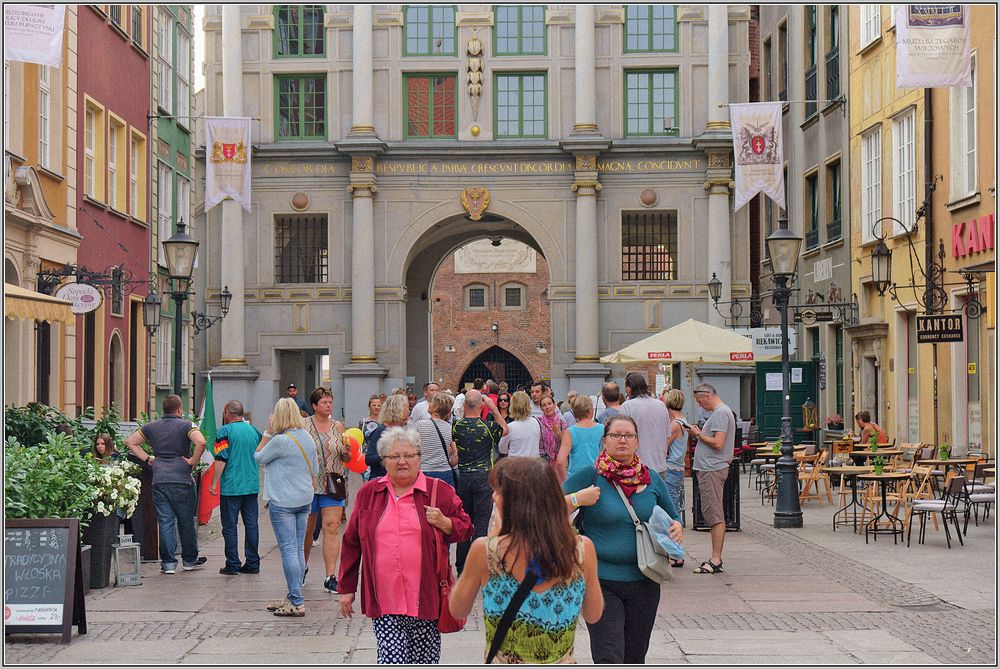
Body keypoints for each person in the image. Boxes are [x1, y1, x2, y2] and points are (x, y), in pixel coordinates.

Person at [338, 427, 473, 664]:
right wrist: (347, 588)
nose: (402, 461)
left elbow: (466, 528)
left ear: (419, 458)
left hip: (427, 597)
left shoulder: (438, 491)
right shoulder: (369, 493)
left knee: (424, 662)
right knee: (391, 660)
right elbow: (352, 542)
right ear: (384, 461)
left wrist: (445, 522)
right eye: (394, 456)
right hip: (384, 598)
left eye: (409, 455)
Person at [450, 457, 604, 664]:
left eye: (499, 491)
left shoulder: (485, 551)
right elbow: (593, 615)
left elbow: (458, 609)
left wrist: (494, 537)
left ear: (516, 501)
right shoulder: (582, 549)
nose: (494, 497)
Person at [564, 415, 684, 664]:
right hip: (601, 581)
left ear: (637, 441)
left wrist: (677, 527)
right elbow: (546, 505)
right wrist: (577, 499)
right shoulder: (591, 476)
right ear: (604, 441)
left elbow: (673, 516)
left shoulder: (650, 478)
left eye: (629, 435)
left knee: (635, 656)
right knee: (609, 655)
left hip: (645, 580)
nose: (622, 440)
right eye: (615, 435)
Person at [125, 394, 208, 575]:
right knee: (186, 521)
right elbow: (201, 441)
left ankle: (168, 563)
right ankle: (189, 560)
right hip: (182, 479)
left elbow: (130, 442)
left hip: (159, 478)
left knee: (165, 522)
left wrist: (148, 459)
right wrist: (192, 461)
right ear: (179, 409)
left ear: (164, 410)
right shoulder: (186, 425)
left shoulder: (151, 427)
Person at [254, 398, 317, 617]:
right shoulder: (307, 437)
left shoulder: (280, 441)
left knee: (289, 549)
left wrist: (267, 432)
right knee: (298, 548)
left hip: (283, 501)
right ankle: (293, 594)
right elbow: (315, 469)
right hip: (304, 498)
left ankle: (297, 602)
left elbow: (258, 456)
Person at [451, 389, 508, 574]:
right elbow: (505, 429)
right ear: (481, 406)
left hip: (464, 476)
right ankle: (480, 566)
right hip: (484, 477)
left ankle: (461, 567)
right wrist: (494, 409)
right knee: (481, 522)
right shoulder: (488, 427)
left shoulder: (456, 426)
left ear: (465, 405)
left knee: (463, 520)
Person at [302, 387, 350, 593]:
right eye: (324, 402)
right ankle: (301, 567)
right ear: (314, 405)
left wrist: (347, 453)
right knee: (307, 529)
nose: (328, 405)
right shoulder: (303, 426)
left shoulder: (338, 426)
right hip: (308, 483)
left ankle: (331, 575)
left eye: (330, 402)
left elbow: (346, 457)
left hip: (333, 482)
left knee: (331, 527)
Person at [684, 383, 735, 575]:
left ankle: (715, 559)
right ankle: (715, 558)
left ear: (707, 396)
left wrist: (698, 434)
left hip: (713, 469)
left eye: (699, 401)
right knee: (712, 513)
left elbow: (718, 443)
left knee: (714, 514)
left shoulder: (721, 413)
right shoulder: (720, 413)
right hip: (710, 468)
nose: (700, 406)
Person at [210, 400, 262, 575]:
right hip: (251, 485)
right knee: (251, 524)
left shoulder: (224, 431)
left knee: (230, 526)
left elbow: (221, 458)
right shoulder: (254, 431)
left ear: (227, 413)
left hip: (231, 486)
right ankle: (253, 562)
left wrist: (213, 482)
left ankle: (232, 564)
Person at [619, 372, 670, 482]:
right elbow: (667, 436)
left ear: (628, 389)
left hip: (637, 466)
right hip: (659, 464)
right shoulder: (661, 405)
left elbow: (622, 437)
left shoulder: (627, 406)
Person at [662, 389, 689, 565]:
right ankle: (675, 552)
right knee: (675, 507)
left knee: (671, 511)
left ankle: (676, 553)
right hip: (678, 468)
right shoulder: (683, 422)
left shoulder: (674, 425)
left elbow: (664, 446)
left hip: (671, 468)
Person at [364, 393, 411, 480]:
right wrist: (387, 455)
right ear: (398, 409)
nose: (409, 411)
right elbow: (369, 459)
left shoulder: (406, 428)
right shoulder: (381, 430)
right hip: (381, 479)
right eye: (407, 408)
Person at [557, 394, 604, 477]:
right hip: (596, 475)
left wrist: (566, 480)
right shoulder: (602, 429)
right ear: (590, 411)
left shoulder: (570, 431)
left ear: (574, 413)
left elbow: (560, 460)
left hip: (575, 477)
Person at [417, 392, 458, 486]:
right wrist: (448, 464)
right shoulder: (450, 429)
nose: (429, 403)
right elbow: (456, 456)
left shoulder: (419, 425)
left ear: (435, 408)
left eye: (431, 402)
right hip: (445, 473)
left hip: (425, 471)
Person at [497, 390, 541, 458]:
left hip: (515, 464)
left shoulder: (510, 427)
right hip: (534, 464)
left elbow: (502, 449)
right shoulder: (536, 422)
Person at [538, 396, 568, 478]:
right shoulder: (539, 422)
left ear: (554, 405)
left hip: (558, 461)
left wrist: (558, 432)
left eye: (549, 404)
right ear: (541, 408)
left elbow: (566, 443)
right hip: (543, 461)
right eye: (544, 405)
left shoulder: (562, 422)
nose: (547, 407)